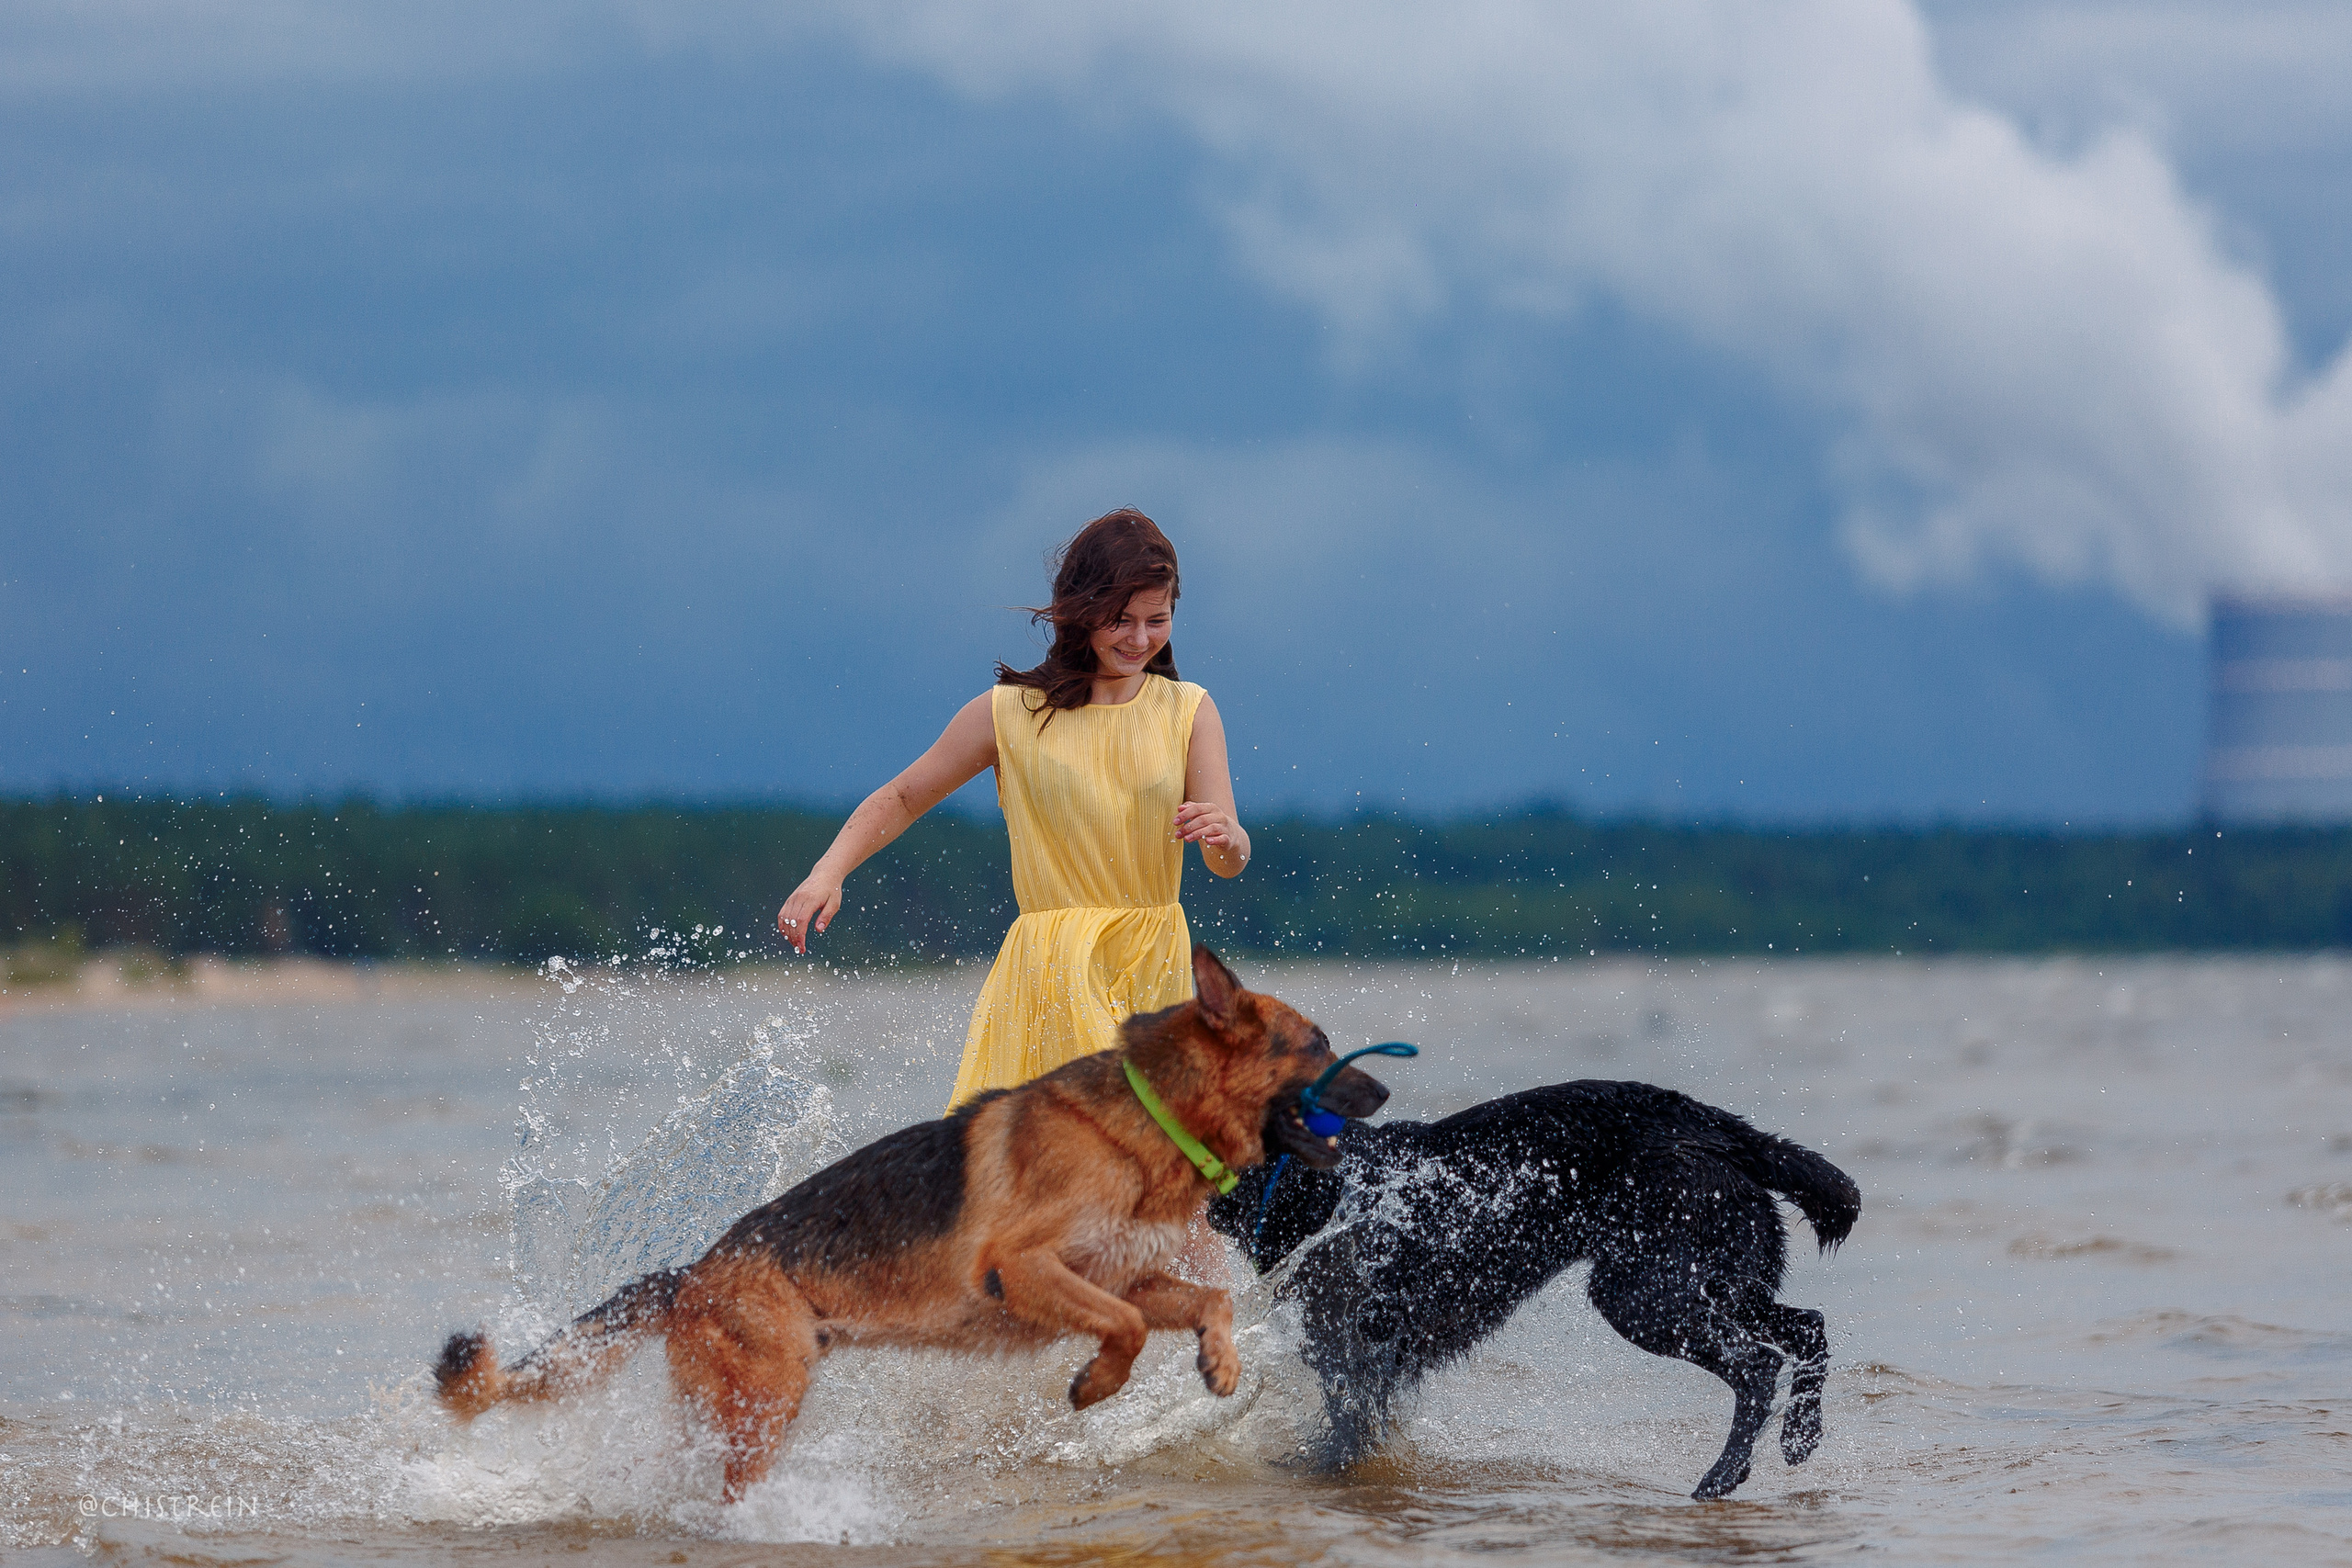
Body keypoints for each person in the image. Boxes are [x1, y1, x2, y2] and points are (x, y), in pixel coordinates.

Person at [775, 509, 1250, 1111]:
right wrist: (828, 871)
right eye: (1120, 619)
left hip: (1152, 962)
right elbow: (903, 796)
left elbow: (1227, 859)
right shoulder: (1010, 712)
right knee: (1086, 1146)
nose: (1138, 638)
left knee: (1160, 1163)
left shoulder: (1190, 709)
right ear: (1082, 610)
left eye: (1157, 619)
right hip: (1054, 969)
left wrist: (1227, 834)